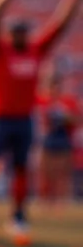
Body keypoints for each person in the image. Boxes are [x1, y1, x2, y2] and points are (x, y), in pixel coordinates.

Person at [0, 0, 82, 235]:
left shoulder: (35, 50)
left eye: (24, 32)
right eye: (17, 32)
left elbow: (59, 26)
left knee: (22, 167)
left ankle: (19, 214)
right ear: (10, 35)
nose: (21, 36)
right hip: (0, 117)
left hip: (24, 119)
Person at [36, 71, 79, 208]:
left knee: (62, 173)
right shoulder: (41, 100)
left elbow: (78, 120)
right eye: (51, 86)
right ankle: (45, 202)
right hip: (46, 140)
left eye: (56, 86)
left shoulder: (67, 102)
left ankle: (61, 202)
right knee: (46, 173)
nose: (53, 89)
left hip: (63, 140)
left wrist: (66, 117)